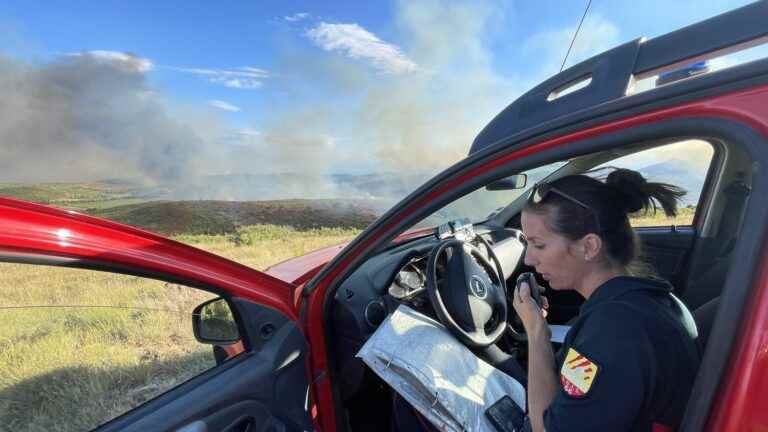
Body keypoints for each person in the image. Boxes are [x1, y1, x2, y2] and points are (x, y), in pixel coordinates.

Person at [512, 168, 700, 432]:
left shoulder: (613, 332)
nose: (528, 259)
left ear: (588, 246)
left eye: (539, 245)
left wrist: (536, 332)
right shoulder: (649, 299)